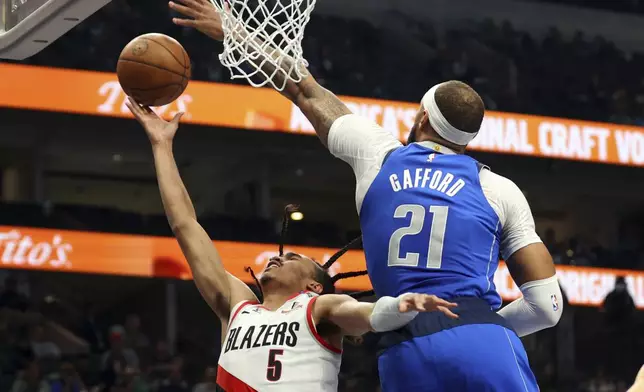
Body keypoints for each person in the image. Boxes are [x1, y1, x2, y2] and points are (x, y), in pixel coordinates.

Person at [168, 2, 563, 390]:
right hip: (483, 342)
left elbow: (302, 87)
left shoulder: (379, 156)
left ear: (422, 117)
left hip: (406, 344)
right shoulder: (498, 189)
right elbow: (547, 306)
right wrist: (480, 329)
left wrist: (234, 31)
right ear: (468, 138)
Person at [125, 97, 459, 391]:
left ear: (314, 285)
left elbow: (367, 314)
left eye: (295, 257)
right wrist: (161, 145)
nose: (278, 257)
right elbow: (185, 225)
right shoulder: (237, 305)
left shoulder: (319, 309)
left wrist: (402, 304)